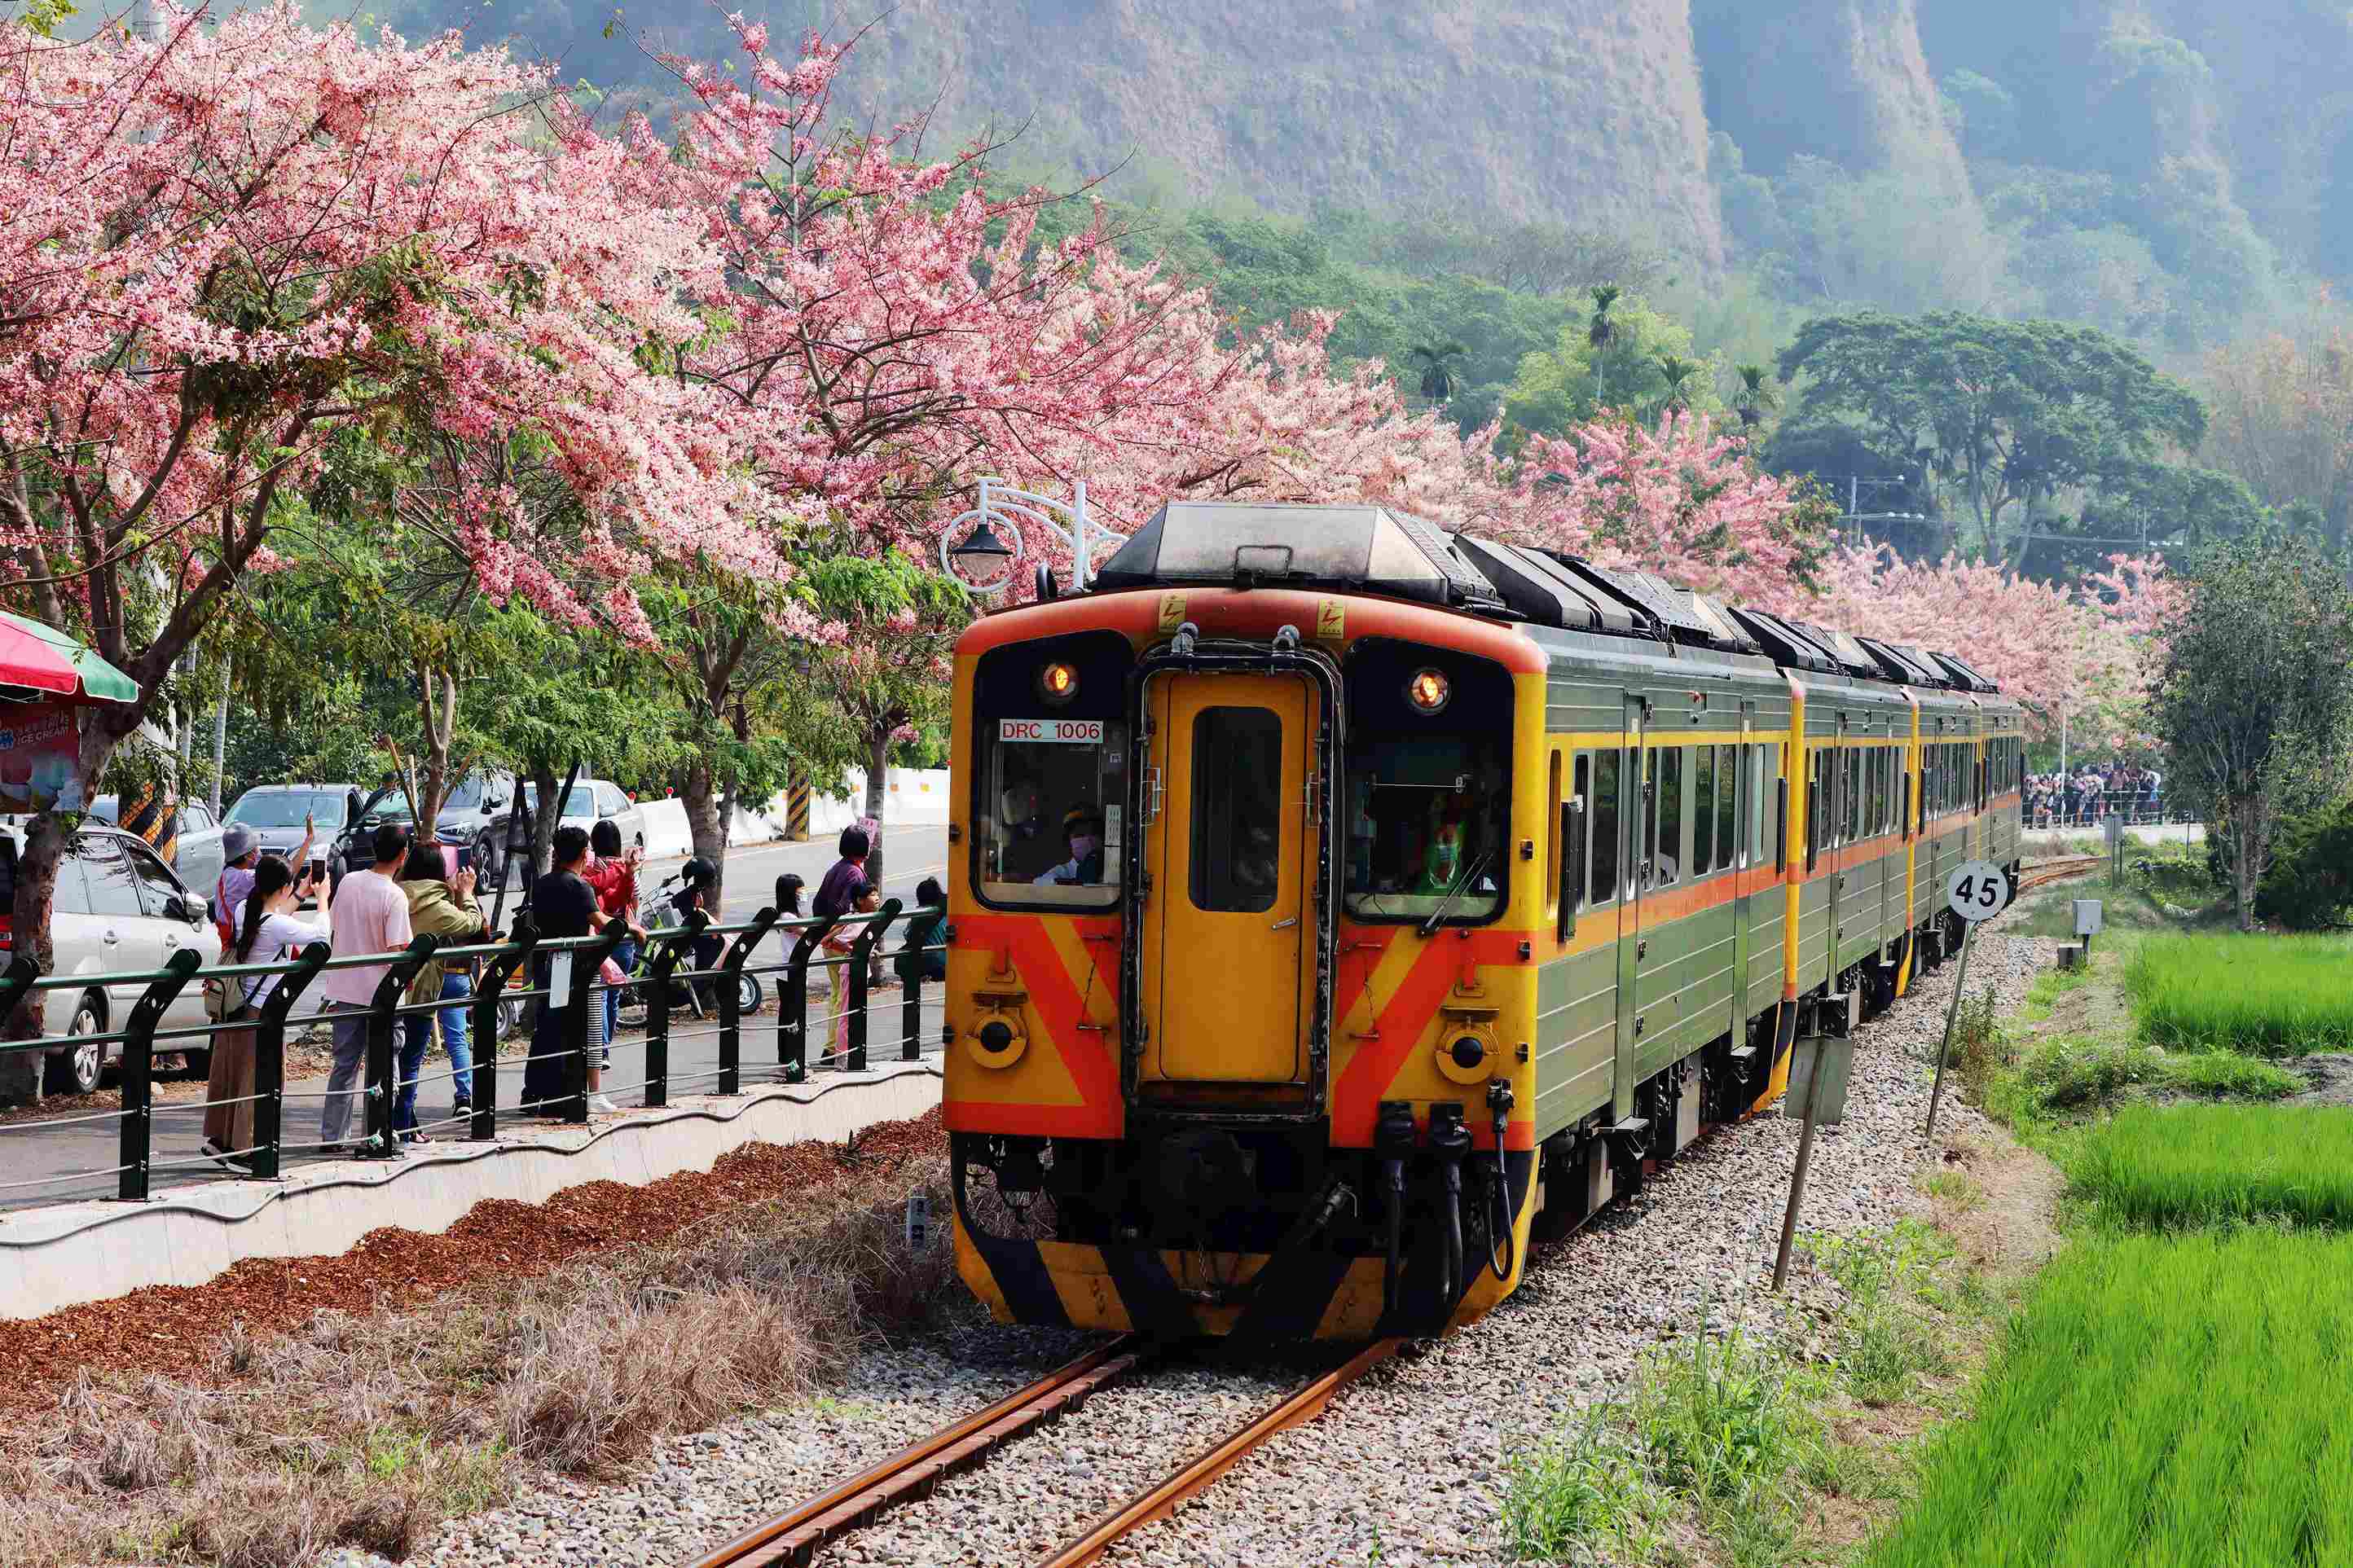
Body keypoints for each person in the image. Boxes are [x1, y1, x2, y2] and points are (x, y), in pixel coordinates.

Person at [200, 854, 323, 1167]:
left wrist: (300, 893)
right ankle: (245, 1151)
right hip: (262, 1013)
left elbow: (275, 918)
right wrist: (322, 899)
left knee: (231, 1075)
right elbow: (321, 935)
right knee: (260, 1080)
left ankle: (220, 1140)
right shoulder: (276, 924)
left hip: (237, 1008)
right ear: (282, 887)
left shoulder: (245, 909)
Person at [524, 825, 643, 1116]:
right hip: (571, 967)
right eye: (587, 850)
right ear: (582, 853)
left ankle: (534, 1093)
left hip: (546, 964)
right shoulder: (578, 886)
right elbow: (602, 921)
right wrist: (633, 928)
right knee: (571, 1028)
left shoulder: (542, 884)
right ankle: (561, 1098)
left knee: (547, 1026)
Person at [316, 824, 414, 1156]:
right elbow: (397, 949)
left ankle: (333, 1136)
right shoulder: (394, 895)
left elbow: (335, 926)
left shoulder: (348, 882)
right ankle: (377, 1132)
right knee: (386, 1063)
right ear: (403, 854)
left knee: (344, 1066)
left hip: (345, 988)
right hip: (381, 995)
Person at [395, 846, 486, 1142]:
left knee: (390, 1062)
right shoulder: (437, 907)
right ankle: (404, 1129)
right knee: (415, 1061)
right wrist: (467, 893)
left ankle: (400, 1125)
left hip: (388, 992)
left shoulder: (394, 894)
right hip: (422, 993)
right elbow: (472, 924)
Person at [813, 824, 879, 1065]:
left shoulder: (835, 869)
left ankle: (831, 1047)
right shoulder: (855, 874)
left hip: (829, 940)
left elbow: (818, 904)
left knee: (836, 995)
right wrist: (841, 929)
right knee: (844, 999)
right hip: (844, 941)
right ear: (864, 849)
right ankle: (835, 1050)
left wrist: (825, 932)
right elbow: (844, 907)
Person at [581, 819, 644, 1069]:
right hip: (625, 938)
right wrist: (627, 871)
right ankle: (605, 1047)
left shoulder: (591, 871)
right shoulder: (628, 870)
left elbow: (593, 894)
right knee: (613, 997)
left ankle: (602, 1050)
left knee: (599, 996)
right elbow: (634, 904)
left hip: (600, 937)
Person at [210, 815, 315, 949]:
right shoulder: (243, 878)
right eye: (255, 848)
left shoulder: (227, 873)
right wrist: (308, 840)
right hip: (246, 945)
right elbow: (289, 871)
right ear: (248, 856)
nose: (258, 850)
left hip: (234, 943)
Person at [895, 876, 948, 987]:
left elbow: (908, 935)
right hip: (945, 962)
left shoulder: (919, 914)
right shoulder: (946, 914)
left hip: (927, 961)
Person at [1031, 808, 1105, 887]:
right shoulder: (1061, 872)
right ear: (1068, 841)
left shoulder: (1110, 871)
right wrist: (1072, 883)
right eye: (1079, 835)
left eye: (1093, 834)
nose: (1087, 839)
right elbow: (1039, 883)